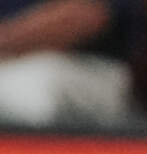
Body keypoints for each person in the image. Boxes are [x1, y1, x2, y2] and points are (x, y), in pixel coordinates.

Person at [0, 0, 134, 126]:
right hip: (13, 60)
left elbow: (85, 14)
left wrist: (7, 39)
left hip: (85, 66)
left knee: (22, 88)